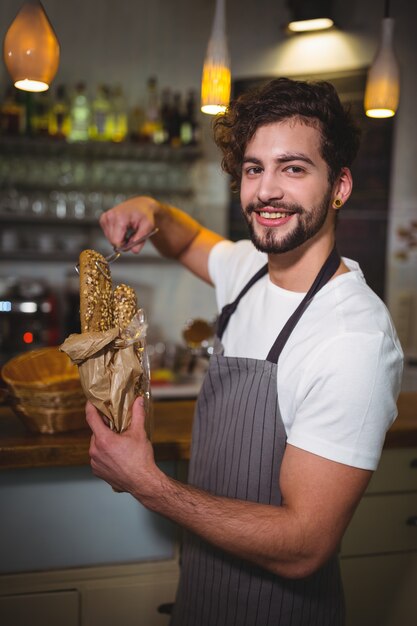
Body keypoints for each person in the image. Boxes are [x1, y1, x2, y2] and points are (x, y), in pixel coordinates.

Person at [86, 78, 403, 625]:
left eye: (294, 168)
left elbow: (305, 545)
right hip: (203, 595)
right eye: (254, 169)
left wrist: (147, 483)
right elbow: (185, 240)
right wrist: (152, 208)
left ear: (340, 186)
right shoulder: (250, 272)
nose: (266, 191)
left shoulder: (354, 340)